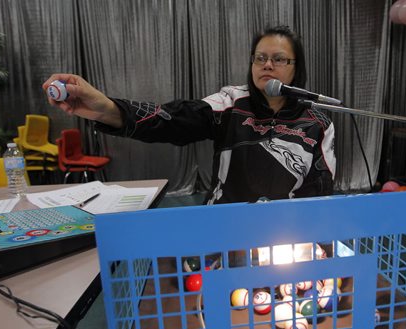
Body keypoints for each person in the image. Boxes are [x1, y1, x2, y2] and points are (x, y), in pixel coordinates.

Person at [43, 25, 336, 205]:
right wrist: (108, 109)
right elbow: (172, 120)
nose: (267, 65)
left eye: (279, 59)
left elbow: (320, 192)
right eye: (260, 58)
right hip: (222, 226)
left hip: (286, 235)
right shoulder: (230, 102)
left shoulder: (318, 122)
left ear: (296, 68)